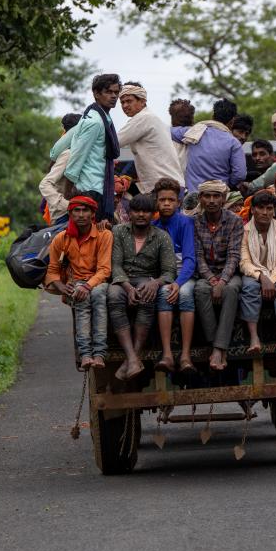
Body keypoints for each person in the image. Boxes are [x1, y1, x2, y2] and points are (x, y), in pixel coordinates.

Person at [107, 193, 176, 380]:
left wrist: (155, 283)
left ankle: (132, 359)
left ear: (153, 214)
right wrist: (128, 288)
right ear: (129, 213)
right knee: (113, 295)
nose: (141, 215)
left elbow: (170, 271)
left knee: (147, 294)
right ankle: (132, 357)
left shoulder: (162, 237)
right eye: (136, 210)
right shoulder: (119, 232)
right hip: (122, 280)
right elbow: (115, 265)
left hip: (147, 279)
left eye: (146, 211)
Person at [44, 195, 114, 369]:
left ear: (92, 214)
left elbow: (105, 270)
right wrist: (61, 287)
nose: (81, 215)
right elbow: (51, 271)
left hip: (98, 282)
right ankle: (85, 354)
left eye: (85, 211)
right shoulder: (61, 238)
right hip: (75, 284)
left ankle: (99, 354)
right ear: (70, 214)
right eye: (77, 210)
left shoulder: (104, 235)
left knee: (96, 295)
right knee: (80, 296)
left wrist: (87, 285)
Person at [193, 180, 245, 370]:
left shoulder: (234, 220)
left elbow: (234, 255)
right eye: (207, 196)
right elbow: (198, 256)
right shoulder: (196, 221)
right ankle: (218, 346)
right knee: (200, 290)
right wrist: (211, 280)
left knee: (231, 290)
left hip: (229, 274)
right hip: (206, 275)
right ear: (201, 198)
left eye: (216, 196)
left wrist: (221, 282)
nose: (212, 200)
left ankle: (217, 349)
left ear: (223, 199)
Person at [239, 191, 276, 354]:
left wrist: (271, 279)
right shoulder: (244, 231)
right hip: (255, 273)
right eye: (261, 208)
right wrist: (262, 277)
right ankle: (254, 337)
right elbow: (244, 262)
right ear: (253, 210)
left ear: (273, 211)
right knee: (248, 286)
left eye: (269, 208)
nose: (265, 212)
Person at [152, 177, 197, 374]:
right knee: (163, 295)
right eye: (162, 200)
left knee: (185, 294)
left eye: (171, 200)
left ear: (178, 202)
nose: (167, 203)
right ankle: (168, 354)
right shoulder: (153, 225)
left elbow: (189, 259)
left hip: (184, 275)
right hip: (164, 276)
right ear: (156, 201)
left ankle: (186, 355)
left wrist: (178, 283)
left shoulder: (185, 222)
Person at [63, 74, 122, 221]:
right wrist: (67, 192)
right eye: (108, 92)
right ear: (96, 94)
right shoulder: (95, 122)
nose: (114, 96)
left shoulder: (100, 117)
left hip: (98, 187)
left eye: (116, 92)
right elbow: (77, 156)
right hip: (90, 190)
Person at [117, 82, 184, 194]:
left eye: (129, 101)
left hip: (163, 187)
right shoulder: (151, 117)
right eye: (122, 102)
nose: (124, 106)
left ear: (142, 101)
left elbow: (113, 143)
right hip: (170, 184)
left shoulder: (143, 118)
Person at [173, 99, 246, 191]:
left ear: (212, 116)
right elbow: (240, 175)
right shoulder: (234, 143)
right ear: (232, 121)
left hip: (193, 195)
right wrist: (226, 184)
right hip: (219, 197)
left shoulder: (194, 132)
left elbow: (167, 132)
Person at [39, 113, 83, 225]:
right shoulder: (68, 154)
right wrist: (67, 205)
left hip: (79, 214)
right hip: (64, 216)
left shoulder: (80, 153)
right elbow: (45, 184)